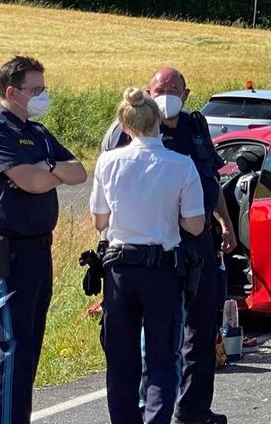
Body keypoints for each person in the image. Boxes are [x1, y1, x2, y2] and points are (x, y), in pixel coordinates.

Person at [101, 68, 236, 424]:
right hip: (162, 251)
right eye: (161, 89)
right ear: (148, 93)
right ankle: (152, 410)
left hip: (198, 241)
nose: (168, 95)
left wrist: (224, 221)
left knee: (202, 327)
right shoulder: (120, 136)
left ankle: (193, 408)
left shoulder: (196, 126)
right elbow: (113, 204)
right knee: (157, 341)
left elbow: (211, 178)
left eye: (174, 89)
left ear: (187, 93)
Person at [91, 87, 206, 424]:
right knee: (161, 357)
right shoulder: (181, 165)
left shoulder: (108, 162)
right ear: (158, 120)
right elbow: (196, 226)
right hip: (162, 269)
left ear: (124, 128)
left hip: (118, 268)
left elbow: (100, 220)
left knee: (120, 358)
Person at [0, 56, 86, 424]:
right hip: (10, 254)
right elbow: (33, 183)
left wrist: (44, 169)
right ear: (11, 92)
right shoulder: (0, 129)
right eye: (35, 90)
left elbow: (79, 172)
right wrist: (49, 172)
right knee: (13, 348)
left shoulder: (39, 132)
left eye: (43, 89)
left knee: (30, 345)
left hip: (39, 251)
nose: (42, 96)